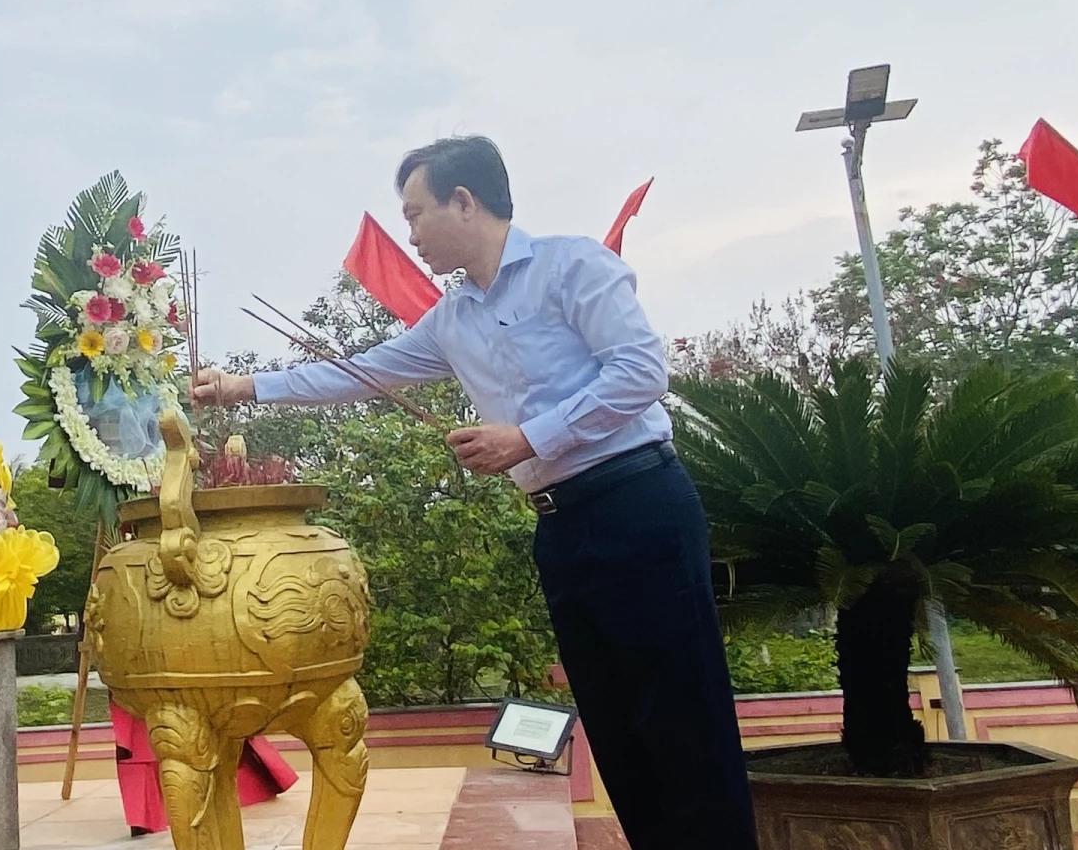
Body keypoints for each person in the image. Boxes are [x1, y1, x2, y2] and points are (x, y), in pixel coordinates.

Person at [192, 135, 757, 850]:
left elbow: (641, 372)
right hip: (561, 527)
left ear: (465, 201)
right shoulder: (453, 320)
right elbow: (362, 372)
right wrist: (241, 388)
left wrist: (527, 438)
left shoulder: (572, 264)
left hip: (639, 506)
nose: (412, 234)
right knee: (615, 727)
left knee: (683, 719)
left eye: (417, 213)